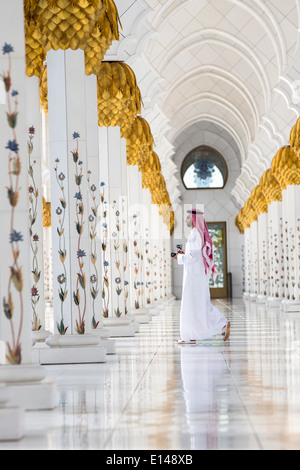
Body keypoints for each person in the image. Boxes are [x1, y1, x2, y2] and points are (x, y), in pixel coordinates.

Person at [173, 209, 230, 344]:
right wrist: (184, 254)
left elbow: (192, 256)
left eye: (188, 218)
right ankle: (191, 335)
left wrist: (179, 257)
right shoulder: (198, 235)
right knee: (198, 305)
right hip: (197, 276)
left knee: (193, 305)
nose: (186, 220)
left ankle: (220, 324)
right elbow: (196, 255)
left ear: (194, 220)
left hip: (194, 278)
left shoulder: (195, 236)